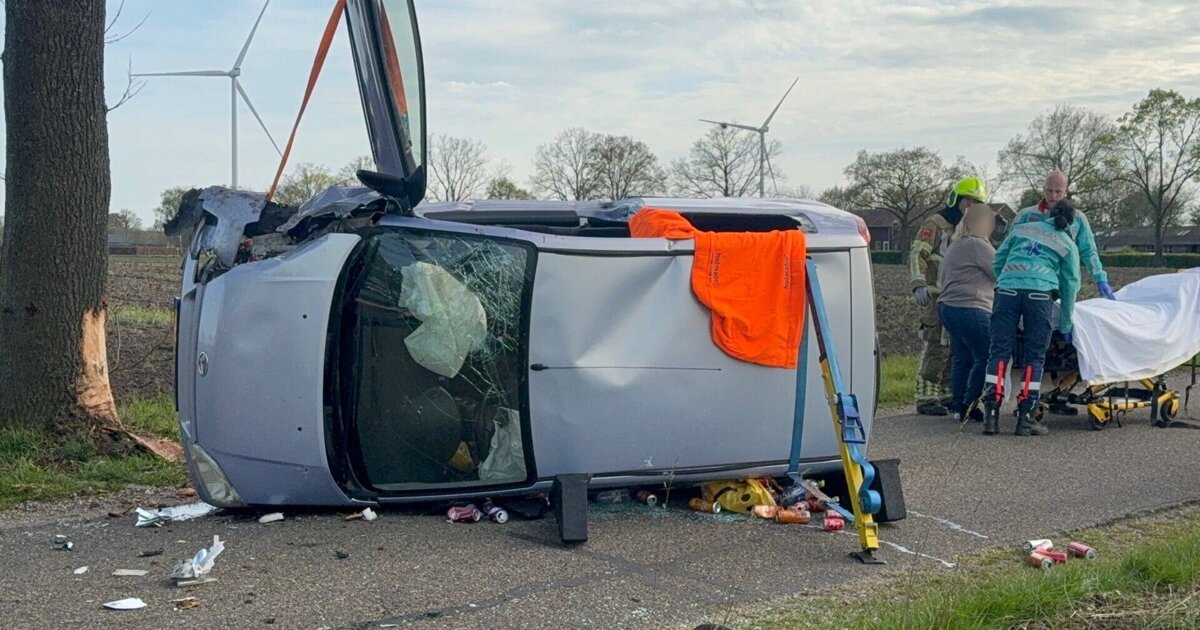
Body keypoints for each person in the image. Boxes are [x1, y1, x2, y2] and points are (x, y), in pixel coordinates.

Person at [981, 199, 1081, 436]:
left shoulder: (1021, 229)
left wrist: (1007, 280)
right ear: (1071, 223)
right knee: (1034, 357)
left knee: (999, 352)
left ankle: (991, 415)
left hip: (1006, 292)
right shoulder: (1067, 243)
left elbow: (998, 260)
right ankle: (1026, 416)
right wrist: (1066, 323)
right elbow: (1070, 286)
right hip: (1039, 295)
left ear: (1048, 215)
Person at [909, 176, 989, 416]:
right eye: (968, 201)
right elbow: (917, 254)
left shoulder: (969, 231)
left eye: (976, 203)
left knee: (955, 348)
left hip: (956, 299)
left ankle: (946, 393)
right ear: (956, 200)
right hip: (934, 297)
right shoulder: (935, 224)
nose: (971, 207)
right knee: (935, 345)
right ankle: (925, 398)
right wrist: (918, 283)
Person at [937, 203, 997, 423]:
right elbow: (999, 270)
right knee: (986, 355)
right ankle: (971, 403)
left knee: (962, 358)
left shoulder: (956, 244)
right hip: (972, 307)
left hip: (948, 308)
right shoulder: (977, 244)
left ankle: (958, 405)